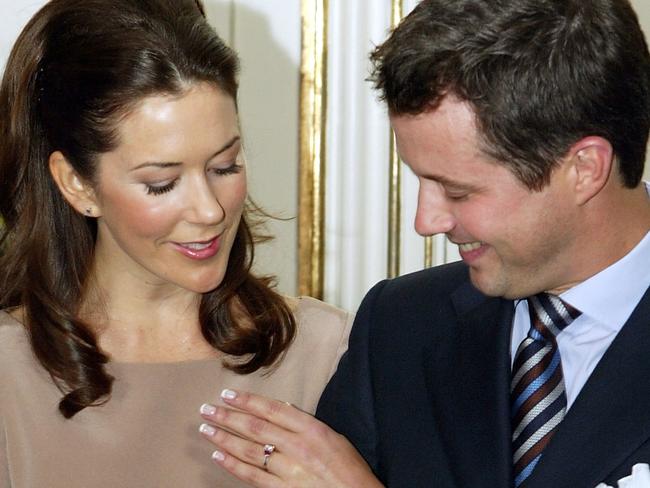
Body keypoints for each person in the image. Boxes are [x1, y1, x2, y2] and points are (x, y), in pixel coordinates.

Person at [197, 0, 650, 487]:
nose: (425, 220)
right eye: (419, 181)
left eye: (457, 190)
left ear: (584, 169)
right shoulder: (399, 326)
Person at [0, 1, 354, 486]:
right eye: (162, 183)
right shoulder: (8, 372)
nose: (210, 210)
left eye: (224, 166)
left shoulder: (325, 355)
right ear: (77, 184)